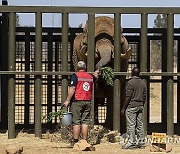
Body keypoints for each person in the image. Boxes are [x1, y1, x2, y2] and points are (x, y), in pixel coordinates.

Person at [63, 61, 99, 146]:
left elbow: (72, 89)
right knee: (85, 122)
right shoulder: (90, 76)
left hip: (77, 101)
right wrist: (96, 73)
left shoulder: (75, 76)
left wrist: (68, 100)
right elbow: (95, 79)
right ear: (85, 67)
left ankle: (75, 141)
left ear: (77, 68)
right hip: (87, 101)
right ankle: (84, 141)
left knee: (76, 122)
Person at [121, 67, 147, 149]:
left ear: (132, 73)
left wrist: (123, 108)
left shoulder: (130, 83)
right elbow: (145, 96)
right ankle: (141, 142)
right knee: (140, 125)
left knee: (131, 125)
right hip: (140, 106)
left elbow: (128, 96)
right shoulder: (143, 83)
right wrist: (142, 104)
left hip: (132, 106)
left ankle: (131, 142)